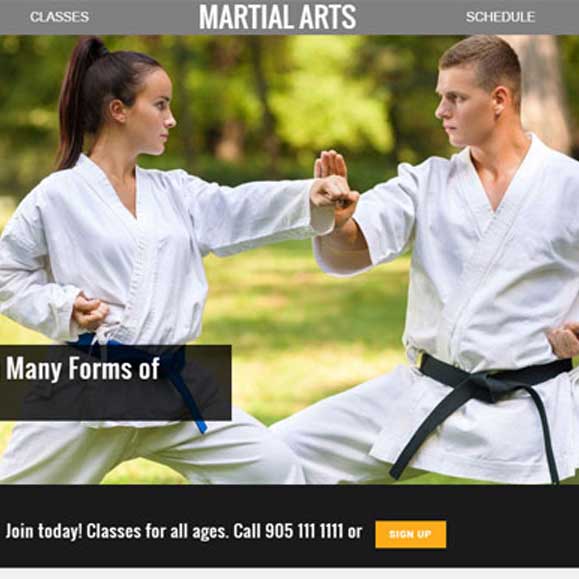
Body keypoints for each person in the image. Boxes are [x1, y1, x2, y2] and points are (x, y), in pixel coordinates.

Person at [0, 36, 358, 484]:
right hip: (85, 391)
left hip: (174, 386)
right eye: (160, 105)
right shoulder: (58, 195)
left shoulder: (175, 191)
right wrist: (62, 306)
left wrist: (309, 195)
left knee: (274, 472)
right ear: (118, 111)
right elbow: (7, 273)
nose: (171, 119)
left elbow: (237, 207)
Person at [271, 35, 579, 485]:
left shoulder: (569, 185)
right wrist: (337, 222)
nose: (441, 111)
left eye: (456, 98)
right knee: (273, 453)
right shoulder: (426, 182)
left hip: (535, 404)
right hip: (429, 393)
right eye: (440, 97)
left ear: (499, 100)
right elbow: (351, 248)